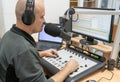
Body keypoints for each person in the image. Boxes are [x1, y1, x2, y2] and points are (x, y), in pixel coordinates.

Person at [0, 0, 79, 82]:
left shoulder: (8, 35)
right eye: (42, 17)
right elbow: (23, 54)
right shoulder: (24, 50)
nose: (44, 21)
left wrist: (41, 53)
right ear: (29, 18)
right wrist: (67, 69)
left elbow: (16, 59)